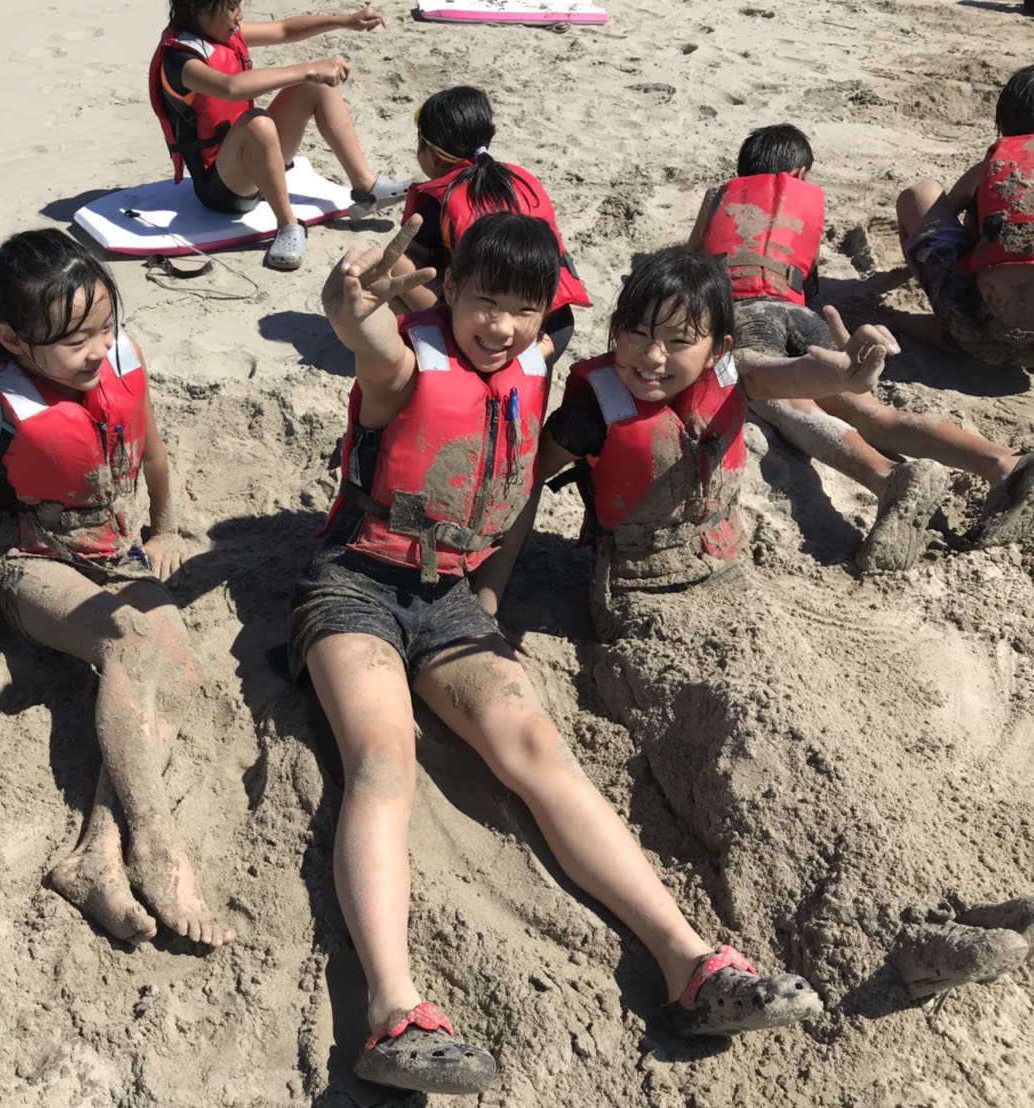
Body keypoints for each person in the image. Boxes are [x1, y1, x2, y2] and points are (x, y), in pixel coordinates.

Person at [292, 215, 822, 1098]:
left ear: (547, 317)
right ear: (449, 292)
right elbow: (367, 339)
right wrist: (349, 305)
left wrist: (488, 598)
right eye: (482, 302)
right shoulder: (405, 364)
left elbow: (521, 483)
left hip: (450, 599)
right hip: (357, 586)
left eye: (522, 311)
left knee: (540, 749)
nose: (499, 327)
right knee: (383, 758)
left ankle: (691, 964)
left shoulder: (539, 368)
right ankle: (395, 1010)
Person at [483, 245, 1034, 1014]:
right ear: (614, 330)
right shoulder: (593, 407)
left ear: (716, 346)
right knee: (746, 754)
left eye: (678, 341)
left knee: (826, 738)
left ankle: (944, 903)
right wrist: (487, 598)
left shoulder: (735, 375)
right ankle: (877, 948)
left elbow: (806, 378)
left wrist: (851, 371)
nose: (652, 357)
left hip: (734, 591)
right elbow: (521, 492)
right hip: (646, 606)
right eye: (636, 333)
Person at [0, 229, 235, 950]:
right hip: (28, 560)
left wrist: (164, 529)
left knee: (174, 668)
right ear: (11, 339)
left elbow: (152, 449)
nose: (100, 349)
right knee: (129, 638)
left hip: (116, 552)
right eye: (77, 341)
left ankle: (96, 853)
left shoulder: (120, 359)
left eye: (106, 327)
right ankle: (157, 842)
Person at [688, 123, 1034, 572]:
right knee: (872, 411)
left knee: (783, 398)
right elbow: (806, 279)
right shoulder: (807, 199)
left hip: (746, 315)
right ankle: (1002, 462)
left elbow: (693, 262)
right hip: (802, 315)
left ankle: (887, 477)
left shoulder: (719, 195)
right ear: (801, 172)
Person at [150, 0, 410, 270]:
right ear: (199, 10)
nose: (239, 15)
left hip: (254, 163)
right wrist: (309, 68)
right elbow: (232, 87)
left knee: (317, 85)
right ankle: (287, 224)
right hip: (220, 189)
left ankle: (366, 188)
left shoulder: (220, 30)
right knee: (257, 122)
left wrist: (345, 20)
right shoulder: (179, 60)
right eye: (231, 8)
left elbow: (285, 29)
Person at [389, 86, 591, 363]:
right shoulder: (520, 178)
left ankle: (441, 349)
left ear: (433, 154)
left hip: (497, 329)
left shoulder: (443, 199)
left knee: (393, 266)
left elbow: (406, 258)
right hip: (555, 324)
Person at [896, 64, 1034, 371]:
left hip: (977, 331)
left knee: (921, 194)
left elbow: (944, 211)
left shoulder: (994, 168)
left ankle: (945, 327)